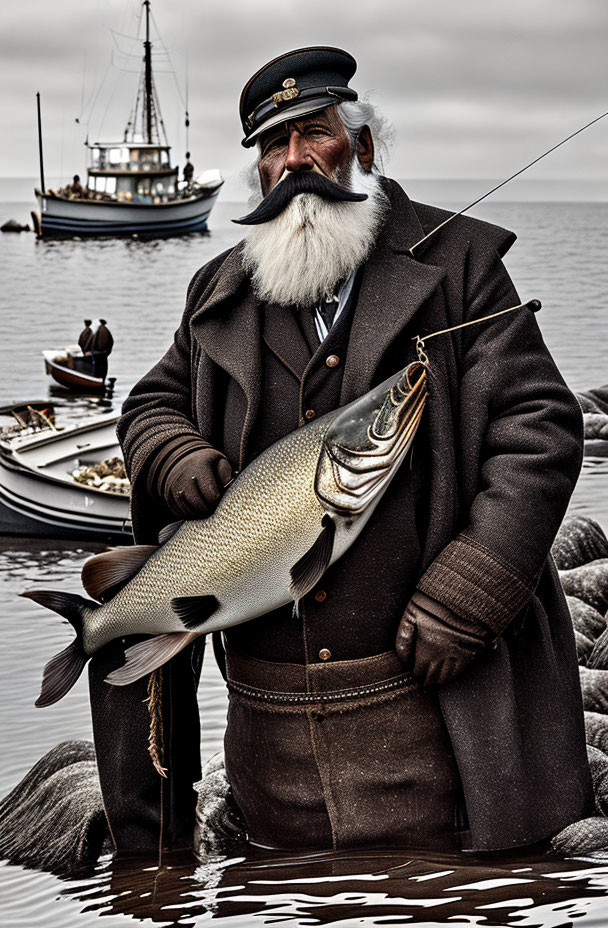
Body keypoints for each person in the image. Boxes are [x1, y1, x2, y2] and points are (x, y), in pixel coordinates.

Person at [89, 46, 593, 856]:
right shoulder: (218, 290)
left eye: (312, 134)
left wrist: (471, 592)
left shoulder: (462, 267)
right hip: (270, 750)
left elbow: (539, 428)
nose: (293, 163)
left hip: (437, 722)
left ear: (360, 146)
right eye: (272, 147)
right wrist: (175, 452)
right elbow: (149, 402)